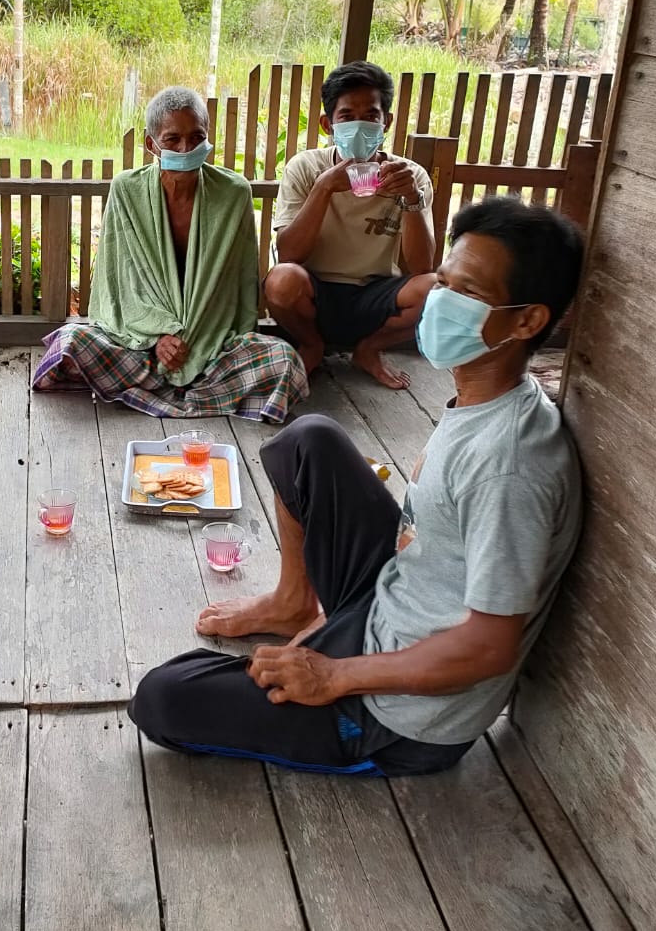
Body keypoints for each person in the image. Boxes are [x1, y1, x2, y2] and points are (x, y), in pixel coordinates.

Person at [130, 197, 585, 777]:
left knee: (163, 697)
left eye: (466, 293)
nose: (439, 302)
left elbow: (488, 647)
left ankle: (345, 713)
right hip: (394, 599)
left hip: (398, 717)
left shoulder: (510, 464)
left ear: (527, 321)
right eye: (441, 282)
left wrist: (334, 673)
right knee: (309, 440)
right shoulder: (489, 399)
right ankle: (294, 602)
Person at [31, 85, 306, 423]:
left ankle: (154, 391)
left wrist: (195, 341)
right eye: (172, 139)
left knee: (284, 361)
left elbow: (237, 288)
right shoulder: (126, 190)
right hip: (142, 344)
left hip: (210, 344)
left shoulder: (234, 194)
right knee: (71, 343)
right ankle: (204, 396)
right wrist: (157, 336)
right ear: (151, 144)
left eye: (196, 137)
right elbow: (118, 283)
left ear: (208, 139)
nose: (185, 148)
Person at [266, 61, 438, 389]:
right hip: (316, 292)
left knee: (438, 291)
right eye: (346, 116)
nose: (359, 125)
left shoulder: (409, 175)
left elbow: (422, 266)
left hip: (375, 291)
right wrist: (324, 187)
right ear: (327, 124)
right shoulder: (306, 167)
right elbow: (288, 255)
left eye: (371, 116)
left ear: (386, 121)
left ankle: (369, 349)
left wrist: (411, 199)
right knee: (280, 281)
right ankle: (312, 344)